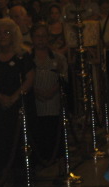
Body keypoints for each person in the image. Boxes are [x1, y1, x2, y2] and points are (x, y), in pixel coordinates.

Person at [0, 17, 35, 187]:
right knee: (0, 141)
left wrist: (13, 98)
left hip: (17, 105)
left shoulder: (22, 55)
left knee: (18, 141)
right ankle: (1, 177)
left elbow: (29, 78)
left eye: (6, 32)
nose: (2, 36)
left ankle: (21, 178)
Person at [30, 22, 68, 165]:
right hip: (35, 104)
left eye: (44, 36)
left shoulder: (58, 58)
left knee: (54, 134)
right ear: (32, 38)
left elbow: (64, 78)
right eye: (37, 36)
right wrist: (36, 91)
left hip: (54, 103)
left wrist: (52, 91)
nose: (41, 39)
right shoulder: (27, 58)